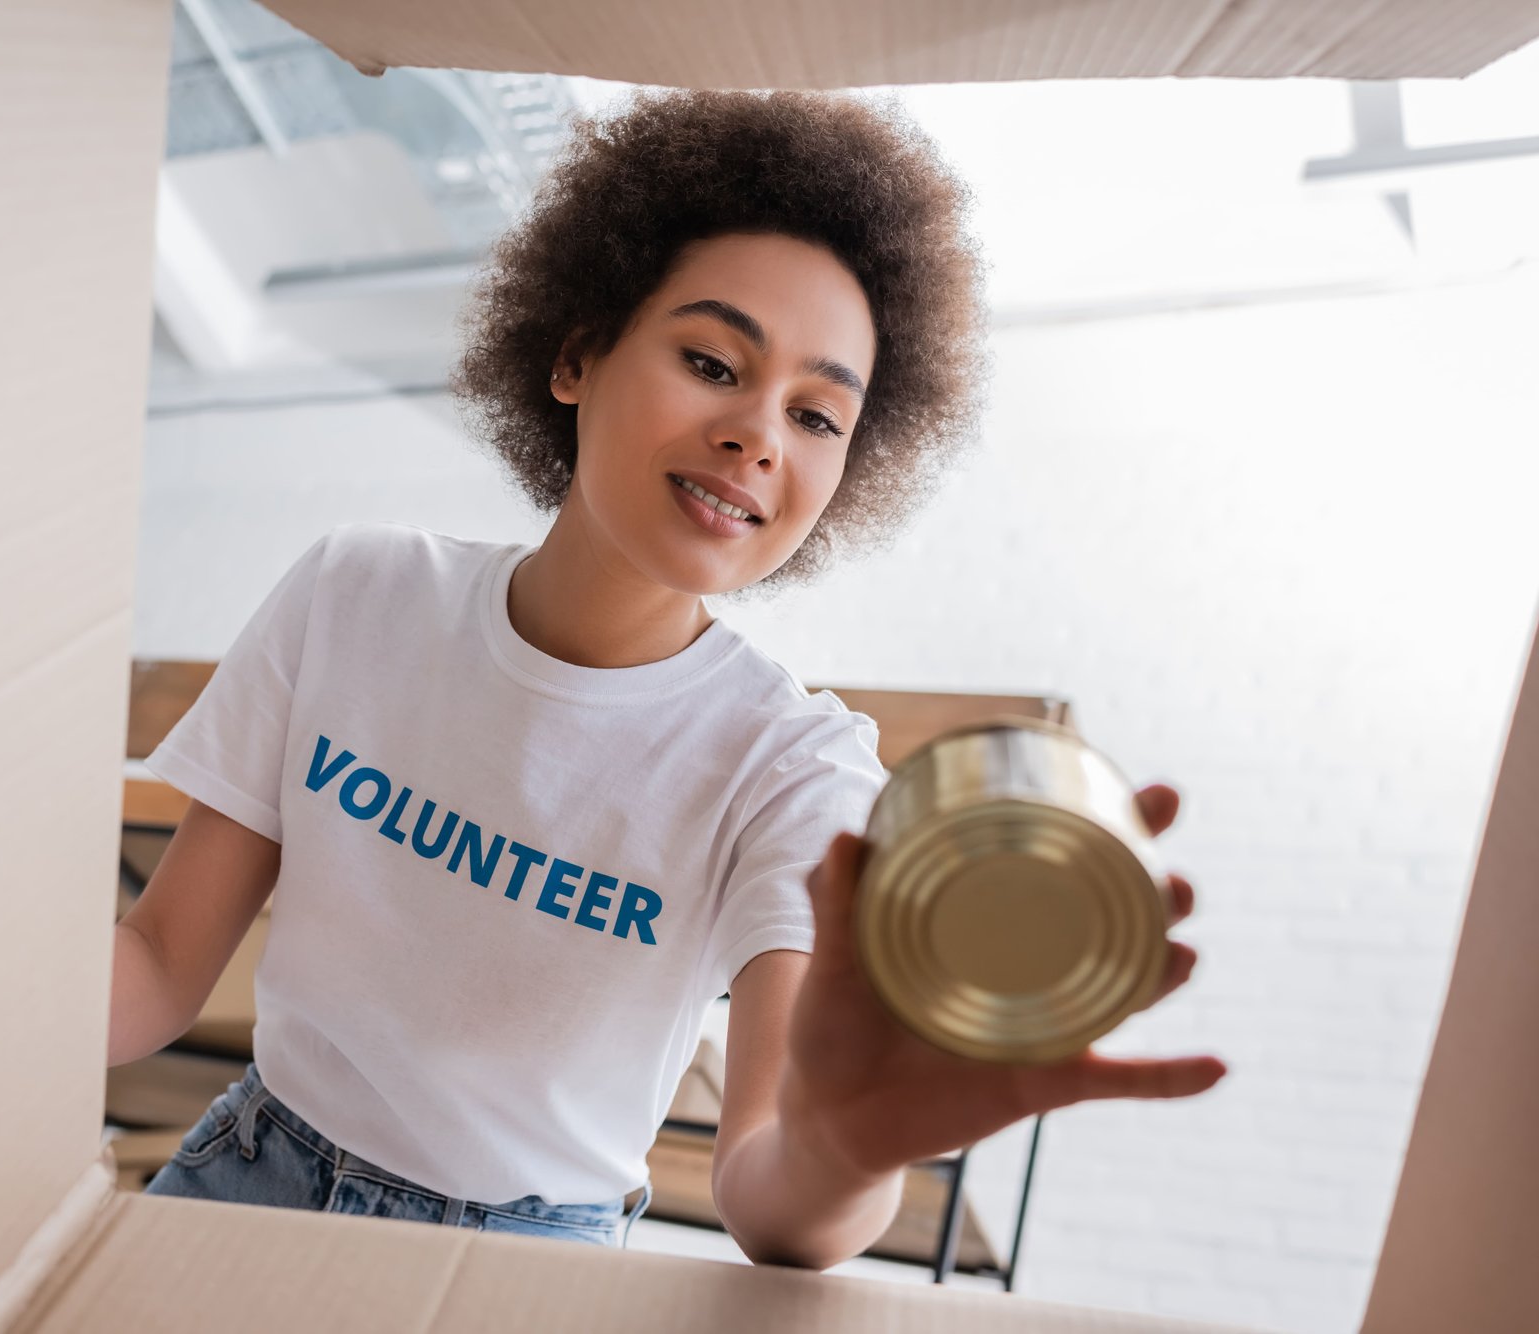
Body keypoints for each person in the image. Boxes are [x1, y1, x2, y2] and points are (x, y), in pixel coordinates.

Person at [107, 87, 1226, 1267]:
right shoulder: (355, 593)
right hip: (237, 1181)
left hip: (524, 1270)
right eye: (709, 360)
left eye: (816, 416)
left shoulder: (791, 770)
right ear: (575, 353)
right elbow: (158, 971)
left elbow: (770, 1192)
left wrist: (845, 1152)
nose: (759, 436)